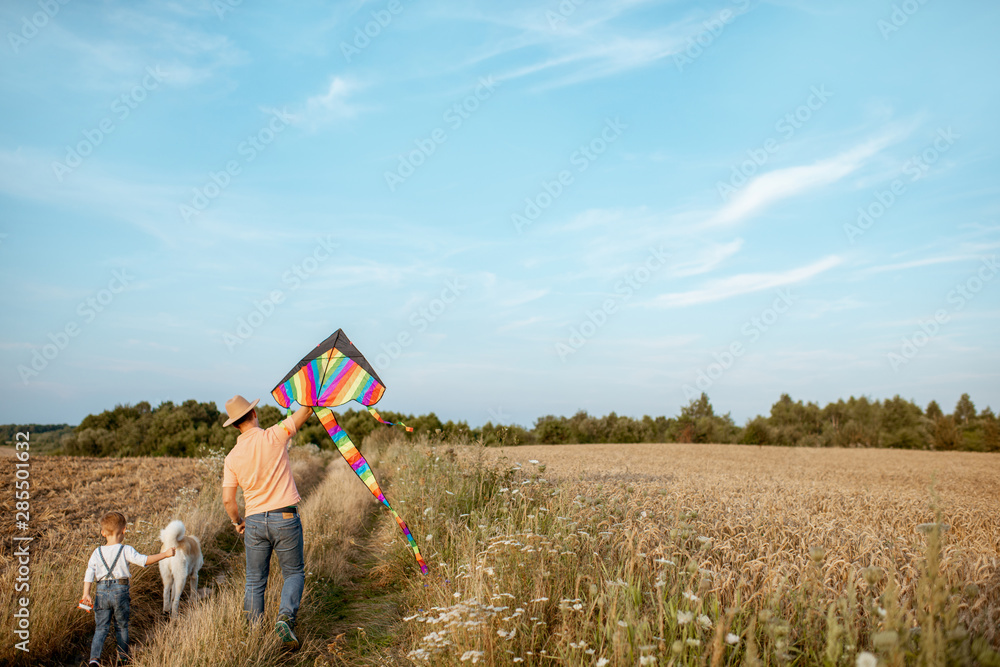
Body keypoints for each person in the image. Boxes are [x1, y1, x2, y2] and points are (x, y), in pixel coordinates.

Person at [221, 394, 312, 650]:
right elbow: (306, 412)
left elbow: (228, 499)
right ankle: (285, 618)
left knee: (254, 581)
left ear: (236, 424)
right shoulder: (274, 434)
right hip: (284, 516)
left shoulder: (232, 457)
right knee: (293, 573)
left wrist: (237, 521)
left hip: (253, 523)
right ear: (254, 414)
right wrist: (314, 388)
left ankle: (253, 637)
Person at [81, 511, 175, 666]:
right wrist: (164, 554)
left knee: (101, 629)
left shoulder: (96, 552)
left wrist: (86, 594)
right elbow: (144, 561)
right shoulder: (126, 550)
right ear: (124, 530)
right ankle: (123, 658)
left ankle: (94, 659)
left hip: (101, 592)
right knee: (121, 626)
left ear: (103, 532)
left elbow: (89, 573)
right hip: (120, 591)